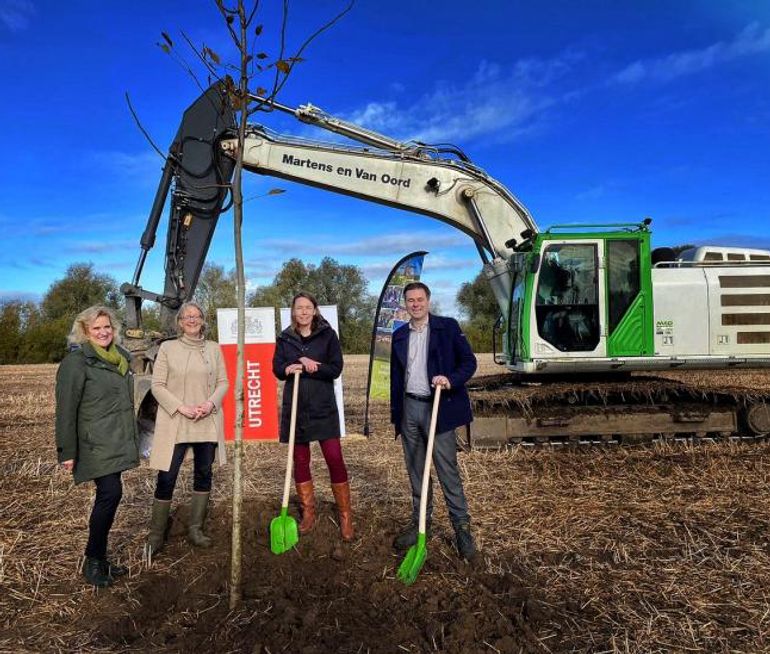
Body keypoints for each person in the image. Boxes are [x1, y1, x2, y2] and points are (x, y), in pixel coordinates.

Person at [390, 282, 478, 560]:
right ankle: (419, 524)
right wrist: (397, 412)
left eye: (419, 299)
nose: (415, 304)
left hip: (439, 408)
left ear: (428, 301)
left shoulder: (447, 327)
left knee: (446, 470)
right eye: (410, 301)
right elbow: (395, 377)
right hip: (410, 408)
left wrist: (450, 379)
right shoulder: (400, 335)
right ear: (405, 305)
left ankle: (461, 528)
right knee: (416, 471)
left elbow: (469, 363)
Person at [55, 306, 140, 588]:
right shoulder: (76, 363)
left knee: (112, 494)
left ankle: (100, 558)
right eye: (97, 328)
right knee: (111, 493)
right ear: (85, 332)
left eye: (107, 327)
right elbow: (66, 409)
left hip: (116, 438)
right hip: (94, 441)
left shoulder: (122, 358)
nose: (104, 332)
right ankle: (92, 560)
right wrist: (67, 451)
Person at [147, 302, 228, 554]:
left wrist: (209, 404)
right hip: (176, 421)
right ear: (180, 322)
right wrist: (181, 407)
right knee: (167, 477)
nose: (192, 320)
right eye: (187, 316)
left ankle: (195, 529)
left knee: (204, 473)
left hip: (205, 420)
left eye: (197, 316)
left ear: (203, 320)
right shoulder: (168, 348)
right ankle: (156, 535)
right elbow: (157, 385)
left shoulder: (213, 349)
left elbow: (223, 382)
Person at [272, 292, 353, 541]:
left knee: (334, 458)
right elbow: (277, 368)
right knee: (300, 460)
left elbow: (335, 368)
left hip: (322, 407)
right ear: (293, 311)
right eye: (299, 308)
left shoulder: (327, 335)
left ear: (315, 310)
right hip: (297, 407)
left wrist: (314, 366)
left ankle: (345, 515)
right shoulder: (285, 338)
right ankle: (309, 512)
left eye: (308, 308)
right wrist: (290, 366)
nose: (304, 312)